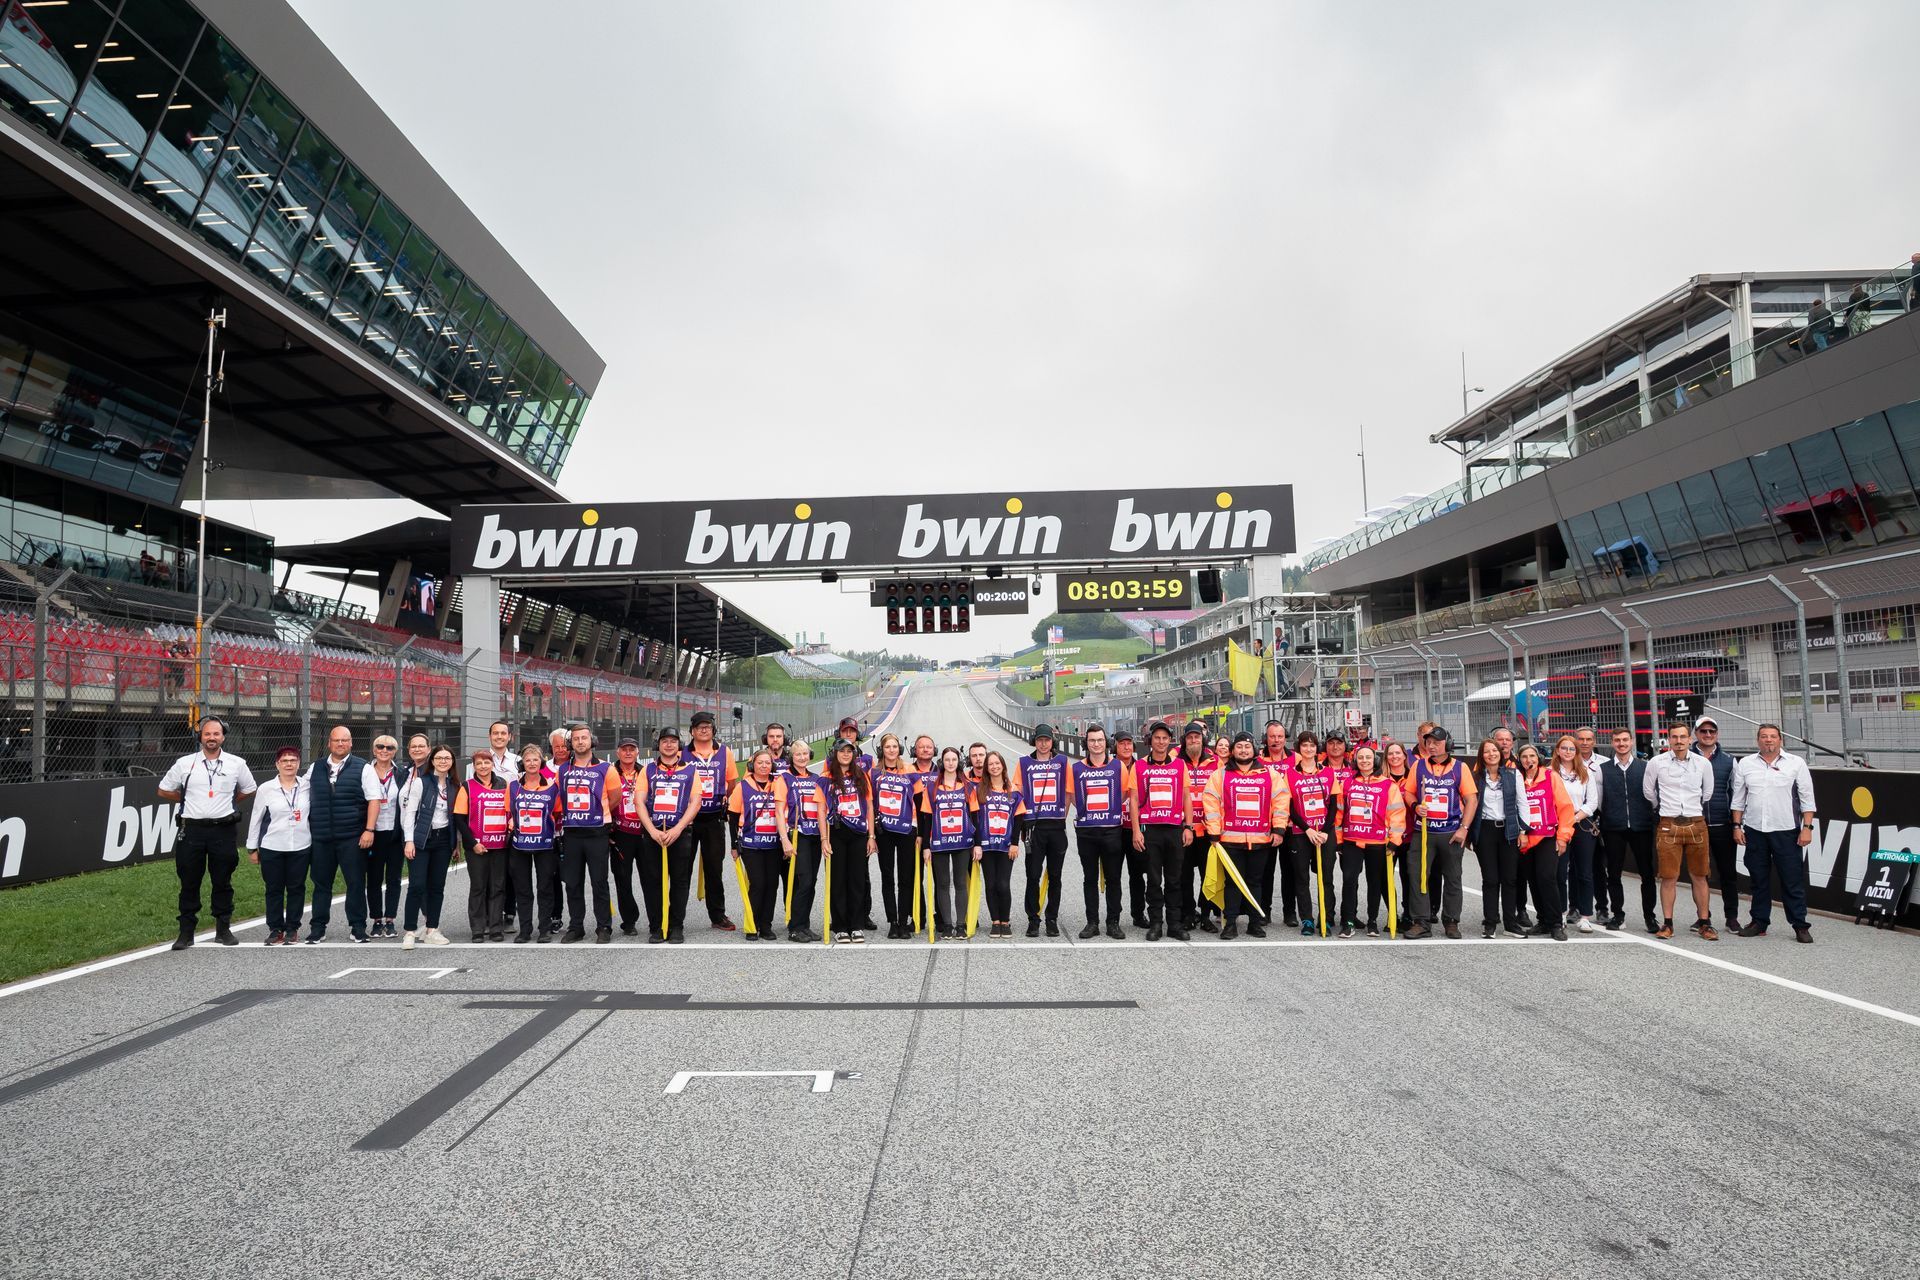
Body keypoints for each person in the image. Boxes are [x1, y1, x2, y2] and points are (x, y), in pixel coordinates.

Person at [158, 717, 257, 950]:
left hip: (223, 829)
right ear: (200, 737)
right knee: (189, 881)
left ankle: (223, 929)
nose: (211, 738)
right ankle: (186, 933)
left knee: (222, 880)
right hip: (191, 830)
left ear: (223, 736)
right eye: (207, 734)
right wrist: (185, 798)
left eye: (216, 734)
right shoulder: (185, 763)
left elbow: (249, 788)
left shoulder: (236, 763)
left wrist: (230, 801)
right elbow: (163, 790)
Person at [1730, 724, 1817, 943]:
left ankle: (1800, 925)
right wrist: (1737, 826)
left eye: (1773, 736)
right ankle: (1759, 922)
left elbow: (1807, 799)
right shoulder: (1746, 764)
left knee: (1792, 880)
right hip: (1755, 831)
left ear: (1780, 740)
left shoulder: (1796, 763)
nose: (1768, 740)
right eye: (1764, 736)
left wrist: (1807, 828)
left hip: (1786, 832)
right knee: (1758, 880)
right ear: (1758, 740)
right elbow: (1738, 799)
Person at [1202, 731, 1287, 939]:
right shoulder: (1220, 775)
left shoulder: (1270, 774)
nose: (1243, 750)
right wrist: (1214, 832)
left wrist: (1279, 829)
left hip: (1260, 839)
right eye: (1239, 746)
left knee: (1255, 882)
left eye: (1247, 746)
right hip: (1230, 840)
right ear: (1232, 751)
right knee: (1232, 883)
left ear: (1254, 750)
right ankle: (1230, 924)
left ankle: (1254, 923)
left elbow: (1281, 802)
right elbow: (1211, 803)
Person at [1643, 722, 1719, 940]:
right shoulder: (1656, 762)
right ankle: (1667, 924)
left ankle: (1704, 923)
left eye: (1683, 737)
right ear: (1669, 739)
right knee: (1669, 877)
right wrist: (1664, 809)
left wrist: (1693, 810)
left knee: (1700, 875)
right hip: (1668, 824)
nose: (1679, 741)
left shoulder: (1702, 763)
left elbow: (1708, 792)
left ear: (1689, 739)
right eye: (1674, 737)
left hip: (1696, 823)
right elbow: (1649, 791)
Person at [305, 725, 376, 945]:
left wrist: (369, 830)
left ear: (351, 743)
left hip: (352, 837)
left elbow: (374, 800)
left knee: (355, 883)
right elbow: (301, 794)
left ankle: (358, 927)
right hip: (321, 837)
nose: (340, 744)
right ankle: (318, 928)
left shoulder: (364, 768)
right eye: (336, 740)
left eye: (345, 740)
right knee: (321, 884)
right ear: (329, 743)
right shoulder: (315, 768)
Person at [1406, 728, 1475, 940]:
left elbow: (1471, 799)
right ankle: (1421, 922)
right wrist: (1415, 806)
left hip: (1451, 832)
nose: (1431, 746)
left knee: (1453, 877)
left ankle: (1451, 921)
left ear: (1448, 743)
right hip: (1423, 832)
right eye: (1428, 742)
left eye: (1436, 742)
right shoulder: (1418, 766)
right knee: (1418, 876)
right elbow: (1408, 792)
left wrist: (1464, 828)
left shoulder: (1460, 768)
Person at [555, 723, 621, 944]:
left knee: (599, 881)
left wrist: (597, 813)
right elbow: (559, 797)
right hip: (572, 833)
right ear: (570, 743)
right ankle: (576, 927)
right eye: (576, 739)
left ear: (591, 740)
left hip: (597, 832)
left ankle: (604, 926)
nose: (580, 742)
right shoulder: (563, 770)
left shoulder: (606, 768)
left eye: (584, 738)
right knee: (572, 883)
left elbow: (615, 798)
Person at [1335, 744, 1406, 938]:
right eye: (1360, 758)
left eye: (1368, 757)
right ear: (1355, 761)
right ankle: (1348, 922)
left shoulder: (1388, 785)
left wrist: (1394, 840)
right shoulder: (1347, 784)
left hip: (1377, 842)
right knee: (1349, 880)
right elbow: (1339, 814)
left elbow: (1397, 814)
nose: (1364, 761)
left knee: (1375, 882)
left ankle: (1372, 922)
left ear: (1374, 760)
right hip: (1351, 841)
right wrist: (1338, 840)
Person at [1130, 721, 1191, 942]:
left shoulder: (1180, 765)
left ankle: (1174, 923)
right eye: (1157, 737)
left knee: (1174, 880)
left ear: (1170, 741)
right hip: (1150, 830)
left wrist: (1189, 827)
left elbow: (1186, 797)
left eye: (1165, 738)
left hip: (1174, 829)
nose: (1161, 742)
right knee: (1154, 880)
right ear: (1150, 740)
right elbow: (1134, 800)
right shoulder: (1139, 766)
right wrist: (1136, 831)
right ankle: (1156, 923)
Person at [639, 726, 700, 944]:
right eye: (665, 741)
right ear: (658, 744)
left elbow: (695, 802)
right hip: (654, 833)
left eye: (673, 741)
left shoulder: (690, 770)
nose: (669, 744)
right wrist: (652, 831)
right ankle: (657, 926)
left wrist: (678, 829)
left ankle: (676, 925)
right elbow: (639, 801)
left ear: (679, 745)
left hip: (679, 833)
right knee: (654, 881)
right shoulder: (648, 770)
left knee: (680, 881)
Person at [244, 745, 309, 945]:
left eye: (293, 760)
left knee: (296, 888)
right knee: (274, 889)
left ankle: (292, 928)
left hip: (301, 845)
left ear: (298, 763)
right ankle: (275, 929)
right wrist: (252, 848)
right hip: (272, 846)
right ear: (277, 764)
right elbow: (256, 819)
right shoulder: (266, 789)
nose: (289, 764)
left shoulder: (307, 786)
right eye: (284, 761)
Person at [728, 747, 793, 941]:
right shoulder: (743, 786)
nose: (764, 766)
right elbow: (732, 817)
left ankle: (766, 925)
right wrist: (734, 845)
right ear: (752, 765)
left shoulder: (779, 784)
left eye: (767, 763)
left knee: (772, 884)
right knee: (758, 883)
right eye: (760, 762)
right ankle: (752, 924)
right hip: (751, 844)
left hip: (774, 844)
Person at [1070, 726, 1128, 939]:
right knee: (1089, 878)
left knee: (1114, 878)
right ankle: (1092, 922)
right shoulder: (1076, 768)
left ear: (1106, 743)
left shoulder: (1118, 766)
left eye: (1100, 740)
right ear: (1086, 743)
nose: (1096, 744)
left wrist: (1109, 811)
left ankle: (1113, 922)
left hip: (1112, 830)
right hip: (1086, 831)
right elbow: (1073, 797)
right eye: (1092, 740)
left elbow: (1123, 794)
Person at [399, 743, 458, 948]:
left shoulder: (454, 785)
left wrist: (456, 844)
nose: (443, 761)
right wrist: (409, 841)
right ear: (432, 760)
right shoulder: (421, 782)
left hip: (444, 841)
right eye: (439, 758)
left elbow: (456, 818)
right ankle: (409, 931)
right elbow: (410, 814)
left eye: (447, 758)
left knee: (437, 887)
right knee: (416, 885)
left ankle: (432, 929)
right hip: (422, 839)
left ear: (452, 762)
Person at [685, 710, 739, 932]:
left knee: (714, 870)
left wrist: (723, 799)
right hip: (688, 820)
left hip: (714, 818)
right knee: (681, 869)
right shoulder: (682, 753)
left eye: (707, 726)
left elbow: (732, 783)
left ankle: (717, 915)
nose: (704, 730)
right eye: (699, 727)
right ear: (692, 731)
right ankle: (674, 916)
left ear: (713, 730)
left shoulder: (724, 752)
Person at [1596, 728, 1653, 932]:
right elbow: (1599, 800)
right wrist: (1612, 815)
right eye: (1617, 740)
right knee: (1614, 873)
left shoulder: (1645, 767)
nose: (1621, 744)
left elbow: (1652, 796)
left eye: (1625, 740)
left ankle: (1650, 917)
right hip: (1613, 827)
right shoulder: (1602, 769)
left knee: (1647, 874)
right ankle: (1618, 915)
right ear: (1612, 743)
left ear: (1632, 741)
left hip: (1641, 826)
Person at [1515, 743, 1573, 941]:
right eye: (1524, 757)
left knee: (1547, 877)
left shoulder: (1550, 776)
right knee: (1533, 879)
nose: (1528, 760)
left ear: (1538, 758)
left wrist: (1563, 837)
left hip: (1547, 835)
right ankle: (1543, 921)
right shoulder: (1517, 779)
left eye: (1532, 756)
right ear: (1519, 760)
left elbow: (1565, 807)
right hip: (1525, 838)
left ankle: (1556, 923)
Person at [1281, 731, 1337, 935]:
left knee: (1326, 878)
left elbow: (1333, 805)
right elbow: (1289, 807)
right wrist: (1308, 829)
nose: (1308, 749)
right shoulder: (1289, 774)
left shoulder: (1328, 773)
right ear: (1299, 748)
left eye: (1312, 745)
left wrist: (1325, 831)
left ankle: (1326, 919)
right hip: (1300, 833)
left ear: (1317, 748)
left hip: (1325, 833)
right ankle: (1307, 920)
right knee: (1301, 878)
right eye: (1305, 745)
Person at [919, 747, 978, 940]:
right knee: (942, 884)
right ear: (942, 762)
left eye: (954, 759)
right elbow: (926, 819)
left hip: (963, 842)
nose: (951, 763)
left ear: (959, 762)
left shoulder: (968, 787)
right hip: (939, 842)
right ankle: (947, 925)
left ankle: (960, 925)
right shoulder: (931, 787)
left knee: (960, 883)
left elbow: (975, 816)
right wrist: (926, 847)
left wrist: (977, 844)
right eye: (947, 760)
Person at [1019, 722, 1071, 937]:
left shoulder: (1062, 762)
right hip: (1034, 828)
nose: (1043, 744)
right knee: (1033, 875)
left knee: (1055, 876)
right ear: (1034, 741)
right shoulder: (1024, 763)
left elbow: (1068, 792)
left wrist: (1061, 816)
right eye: (1039, 740)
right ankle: (1033, 919)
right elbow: (1019, 794)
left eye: (1047, 740)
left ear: (1052, 742)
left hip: (1056, 827)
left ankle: (1052, 919)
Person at [1468, 739, 1524, 938]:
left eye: (1494, 750)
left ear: (1500, 753)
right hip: (1485, 830)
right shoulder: (1475, 777)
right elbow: (1469, 804)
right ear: (1481, 756)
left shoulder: (1513, 774)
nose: (1491, 754)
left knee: (1510, 878)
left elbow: (1522, 803)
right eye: (1486, 751)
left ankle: (1511, 924)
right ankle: (1490, 922)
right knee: (1490, 879)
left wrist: (1523, 831)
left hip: (1508, 830)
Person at [1692, 716, 1742, 934]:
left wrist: (1736, 824)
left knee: (1728, 873)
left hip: (1722, 824)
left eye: (1712, 731)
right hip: (1695, 824)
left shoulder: (1730, 760)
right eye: (1703, 731)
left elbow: (1737, 793)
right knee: (1699, 874)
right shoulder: (1686, 757)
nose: (1708, 734)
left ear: (1717, 734)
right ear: (1696, 734)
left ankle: (1732, 917)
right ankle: (1703, 917)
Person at [455, 751, 511, 941]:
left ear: (492, 764)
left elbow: (510, 811)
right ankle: (477, 929)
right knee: (478, 887)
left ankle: (495, 928)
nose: (483, 766)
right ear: (474, 766)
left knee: (498, 887)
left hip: (500, 845)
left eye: (486, 762)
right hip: (477, 847)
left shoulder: (503, 784)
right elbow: (459, 819)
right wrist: (472, 844)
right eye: (479, 763)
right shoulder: (467, 786)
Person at [869, 733, 921, 938]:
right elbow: (870, 803)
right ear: (882, 750)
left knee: (906, 877)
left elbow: (920, 801)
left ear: (899, 749)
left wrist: (920, 832)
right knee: (887, 876)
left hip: (907, 829)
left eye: (894, 746)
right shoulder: (874, 772)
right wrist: (872, 834)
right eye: (887, 747)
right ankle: (892, 921)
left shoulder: (910, 770)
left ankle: (904, 921)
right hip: (884, 830)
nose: (891, 750)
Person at [1552, 733, 1604, 934]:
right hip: (1557, 825)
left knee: (1584, 872)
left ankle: (1585, 916)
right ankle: (1561, 913)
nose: (1568, 752)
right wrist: (1562, 821)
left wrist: (1573, 818)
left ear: (1576, 752)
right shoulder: (1549, 772)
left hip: (1580, 823)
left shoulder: (1585, 773)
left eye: (1571, 749)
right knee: (1559, 872)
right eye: (1564, 748)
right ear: (1558, 751)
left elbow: (1592, 802)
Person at [508, 743, 560, 943]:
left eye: (535, 759)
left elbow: (557, 812)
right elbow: (508, 812)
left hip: (545, 845)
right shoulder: (514, 786)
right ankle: (525, 930)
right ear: (523, 763)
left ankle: (544, 929)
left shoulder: (552, 787)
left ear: (541, 762)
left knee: (545, 887)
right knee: (523, 889)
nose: (531, 763)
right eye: (528, 760)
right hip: (519, 845)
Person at [824, 738, 873, 944]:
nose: (846, 754)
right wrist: (824, 839)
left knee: (857, 879)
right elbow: (821, 810)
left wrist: (871, 836)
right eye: (842, 751)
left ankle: (856, 924)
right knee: (838, 879)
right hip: (836, 832)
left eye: (849, 751)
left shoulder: (861, 776)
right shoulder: (827, 778)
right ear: (834, 754)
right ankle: (840, 925)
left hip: (859, 833)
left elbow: (869, 805)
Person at [361, 735, 406, 939]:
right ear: (374, 749)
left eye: (389, 747)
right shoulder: (365, 771)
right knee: (374, 877)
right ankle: (377, 920)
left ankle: (390, 919)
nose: (384, 750)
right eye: (380, 746)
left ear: (395, 752)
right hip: (373, 832)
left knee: (394, 878)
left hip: (395, 833)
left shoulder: (402, 773)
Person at [975, 751, 1024, 939]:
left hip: (1005, 845)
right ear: (986, 768)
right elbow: (975, 819)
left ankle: (1005, 921)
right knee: (991, 884)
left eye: (997, 763)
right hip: (986, 846)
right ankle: (995, 921)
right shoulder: (979, 790)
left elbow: (1018, 819)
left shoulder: (1013, 791)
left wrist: (1014, 844)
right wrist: (977, 844)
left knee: (1003, 884)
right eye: (991, 764)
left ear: (1003, 766)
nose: (994, 767)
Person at [1179, 720, 1221, 933]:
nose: (1194, 740)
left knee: (1208, 875)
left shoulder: (1216, 763)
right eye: (1190, 737)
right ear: (1184, 741)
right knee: (1184, 876)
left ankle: (1205, 915)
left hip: (1207, 831)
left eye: (1197, 737)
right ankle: (1188, 914)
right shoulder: (1176, 762)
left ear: (1203, 740)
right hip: (1184, 830)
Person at [605, 736, 649, 936]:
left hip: (645, 833)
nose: (628, 752)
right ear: (618, 752)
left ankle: (656, 920)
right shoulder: (610, 772)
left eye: (632, 749)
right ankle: (629, 921)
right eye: (624, 749)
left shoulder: (645, 772)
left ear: (638, 752)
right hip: (621, 834)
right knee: (623, 879)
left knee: (651, 878)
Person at [783, 740, 825, 942]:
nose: (802, 757)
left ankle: (804, 925)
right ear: (791, 757)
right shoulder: (784, 778)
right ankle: (795, 927)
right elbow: (779, 811)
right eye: (798, 754)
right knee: (804, 881)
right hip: (798, 834)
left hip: (815, 834)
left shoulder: (816, 779)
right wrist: (785, 839)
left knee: (812, 882)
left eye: (805, 754)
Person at [1113, 725, 1149, 928]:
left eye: (1129, 743)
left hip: (1136, 829)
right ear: (1115, 747)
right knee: (1114, 876)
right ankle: (1114, 917)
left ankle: (1138, 914)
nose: (1126, 747)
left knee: (1137, 874)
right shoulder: (1109, 767)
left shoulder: (1141, 767)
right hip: (1115, 829)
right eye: (1122, 744)